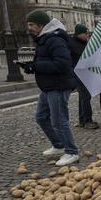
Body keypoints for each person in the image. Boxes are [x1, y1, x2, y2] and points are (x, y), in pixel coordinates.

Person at [22, 10, 80, 167]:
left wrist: (36, 66)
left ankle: (72, 152)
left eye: (31, 24)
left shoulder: (54, 40)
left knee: (59, 121)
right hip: (48, 86)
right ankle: (59, 145)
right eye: (28, 24)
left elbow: (62, 64)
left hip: (58, 86)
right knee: (41, 117)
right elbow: (46, 62)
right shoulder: (43, 39)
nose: (29, 28)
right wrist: (32, 67)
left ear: (41, 25)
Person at [70, 23, 98, 129]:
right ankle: (87, 120)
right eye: (85, 33)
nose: (87, 35)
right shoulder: (72, 44)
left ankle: (82, 120)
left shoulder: (85, 43)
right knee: (85, 96)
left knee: (83, 97)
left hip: (86, 73)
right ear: (79, 34)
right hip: (78, 74)